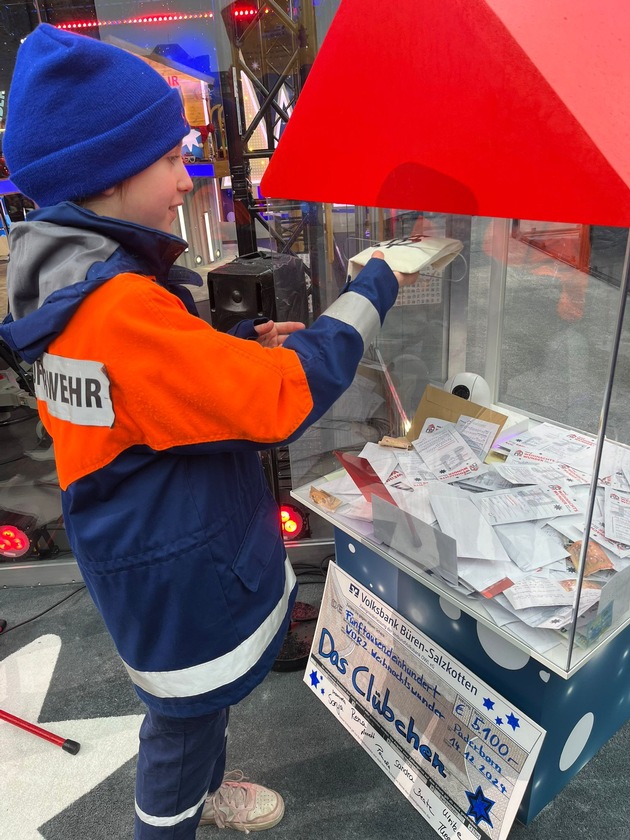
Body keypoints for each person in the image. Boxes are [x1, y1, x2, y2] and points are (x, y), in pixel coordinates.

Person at [0, 24, 412, 839]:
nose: (188, 180)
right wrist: (373, 289)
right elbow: (282, 397)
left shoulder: (62, 280)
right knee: (182, 730)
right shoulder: (120, 308)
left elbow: (137, 392)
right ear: (107, 178)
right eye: (168, 158)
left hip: (141, 541)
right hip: (181, 561)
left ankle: (201, 794)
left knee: (191, 708)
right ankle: (171, 824)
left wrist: (211, 356)